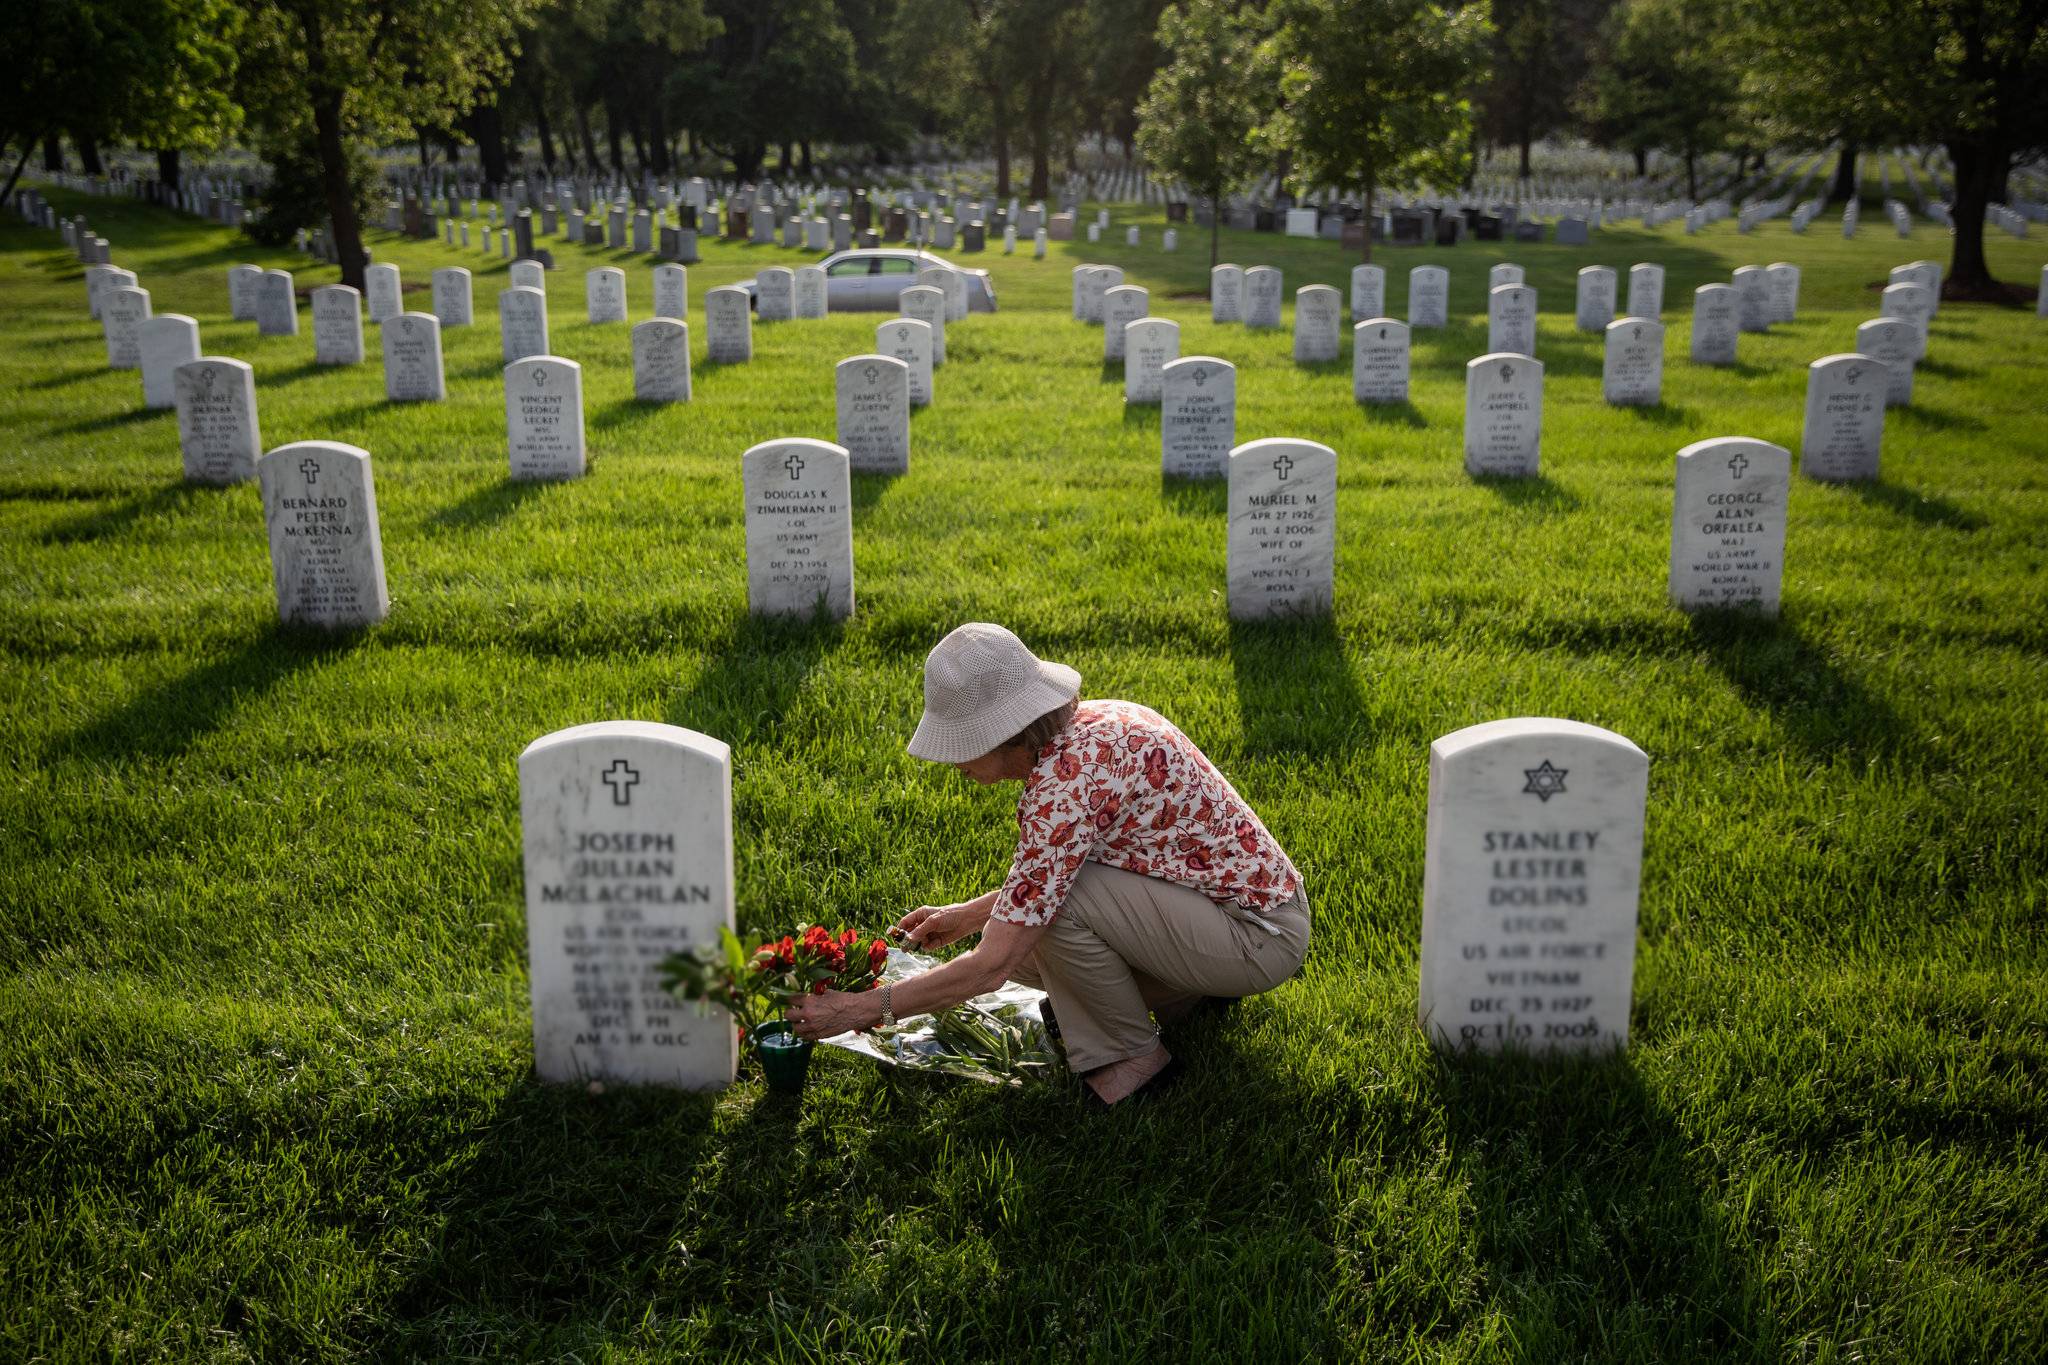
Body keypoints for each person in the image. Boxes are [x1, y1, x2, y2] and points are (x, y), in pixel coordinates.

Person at [787, 622, 1310, 1106]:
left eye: (961, 743)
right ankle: (1184, 997)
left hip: (1255, 941)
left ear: (1007, 734)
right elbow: (1073, 870)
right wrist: (967, 915)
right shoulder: (1095, 726)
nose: (953, 762)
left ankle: (1131, 1062)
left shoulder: (1064, 789)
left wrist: (859, 1008)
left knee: (1034, 930)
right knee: (1027, 930)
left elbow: (993, 964)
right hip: (1243, 915)